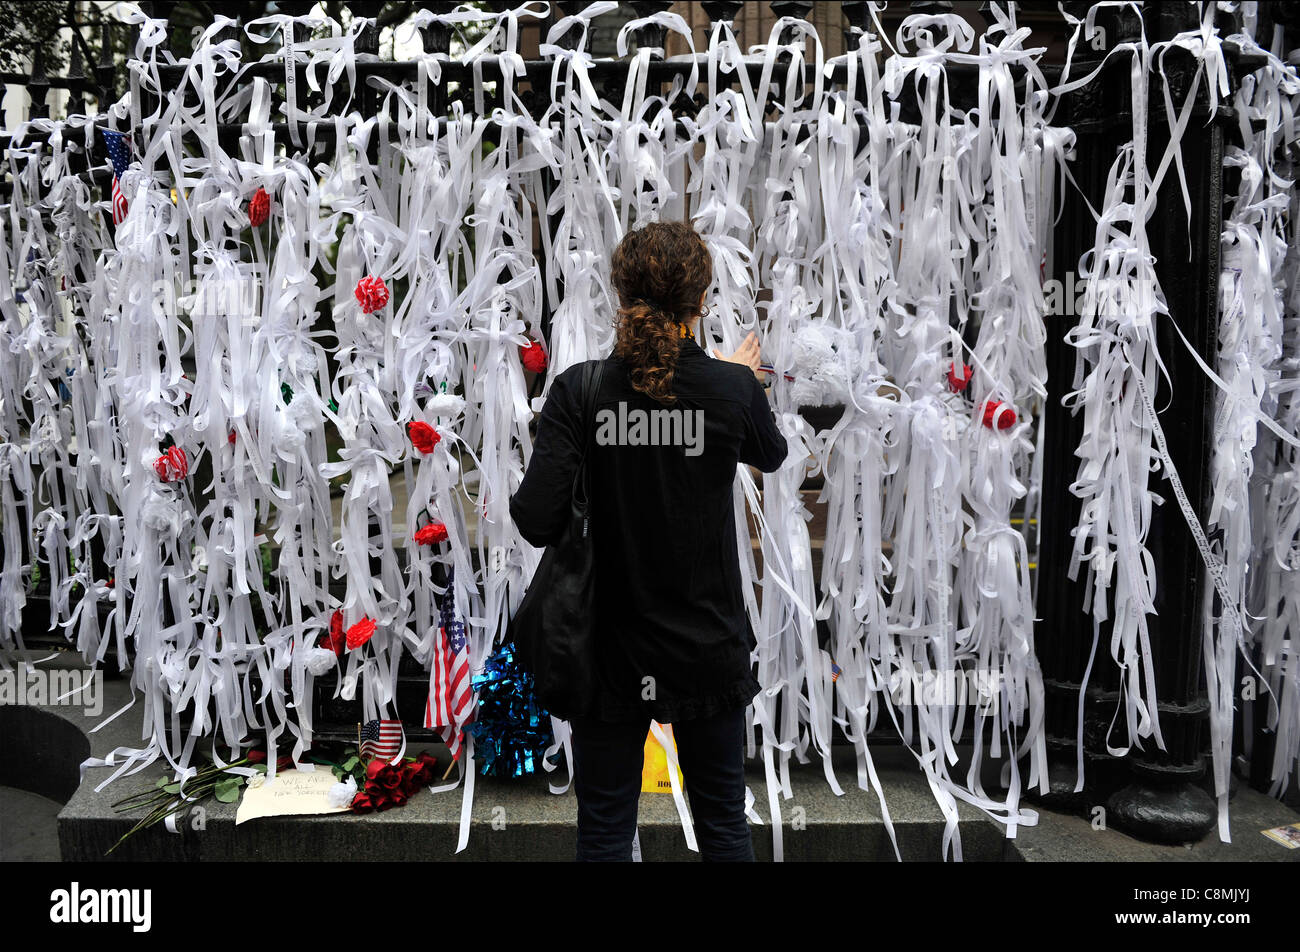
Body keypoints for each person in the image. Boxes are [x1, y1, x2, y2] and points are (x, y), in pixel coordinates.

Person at [509, 220, 787, 861]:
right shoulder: (731, 388)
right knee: (723, 822)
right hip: (706, 645)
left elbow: (534, 520)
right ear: (701, 302)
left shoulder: (580, 391)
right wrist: (741, 386)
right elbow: (769, 454)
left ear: (620, 294)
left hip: (607, 649)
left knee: (605, 827)